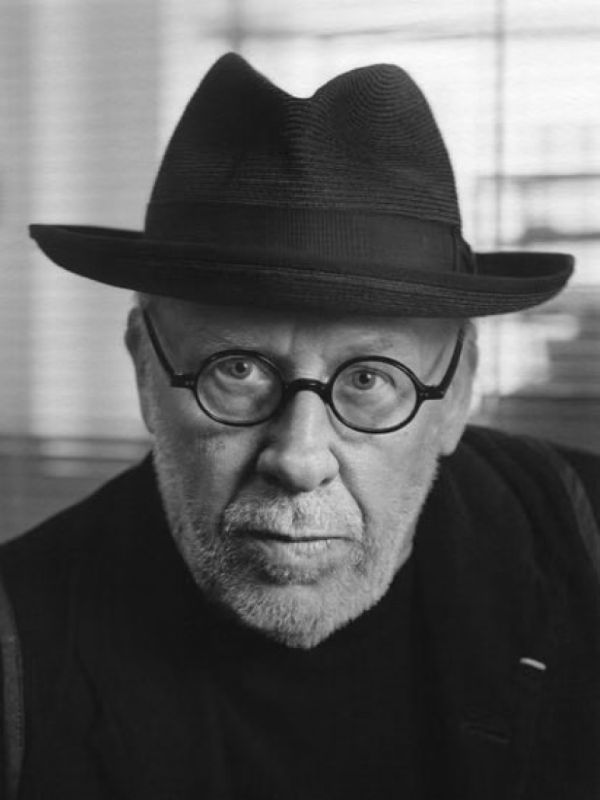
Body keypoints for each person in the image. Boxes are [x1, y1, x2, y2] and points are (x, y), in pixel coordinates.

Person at [1, 52, 599, 800]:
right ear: (145, 371)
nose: (299, 457)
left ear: (457, 394)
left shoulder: (585, 545)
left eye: (370, 379)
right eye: (238, 370)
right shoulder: (19, 649)